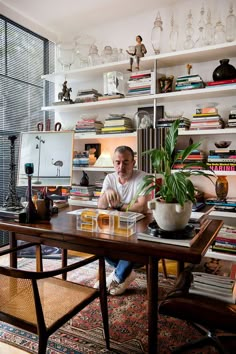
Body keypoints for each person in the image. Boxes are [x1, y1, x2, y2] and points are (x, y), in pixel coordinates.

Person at [96, 145, 151, 295]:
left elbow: (141, 207)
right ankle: (125, 272)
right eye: (117, 162)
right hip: (116, 226)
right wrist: (106, 193)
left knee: (132, 243)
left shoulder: (143, 178)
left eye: (126, 162)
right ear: (113, 163)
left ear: (133, 163)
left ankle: (117, 276)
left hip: (140, 226)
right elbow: (101, 206)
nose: (121, 166)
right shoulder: (109, 178)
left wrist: (118, 205)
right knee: (99, 239)